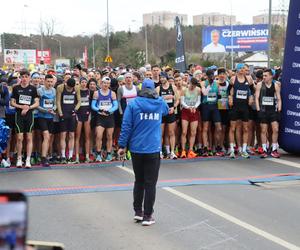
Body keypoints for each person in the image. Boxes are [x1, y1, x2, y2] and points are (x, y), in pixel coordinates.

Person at [118, 78, 169, 226]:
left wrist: (122, 145)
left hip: (136, 148)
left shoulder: (133, 103)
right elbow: (166, 110)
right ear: (153, 89)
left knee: (139, 181)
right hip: (153, 148)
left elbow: (126, 125)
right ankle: (148, 216)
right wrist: (158, 97)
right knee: (150, 183)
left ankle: (138, 212)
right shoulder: (159, 102)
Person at [11, 69, 39, 168]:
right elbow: (12, 102)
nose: (24, 79)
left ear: (29, 78)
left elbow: (37, 103)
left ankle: (28, 159)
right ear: (20, 78)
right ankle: (19, 158)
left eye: (26, 77)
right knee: (19, 138)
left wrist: (28, 108)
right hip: (19, 115)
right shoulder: (16, 88)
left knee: (29, 137)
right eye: (22, 77)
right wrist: (21, 107)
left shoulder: (33, 88)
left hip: (29, 115)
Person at [255, 69, 281, 158]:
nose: (264, 77)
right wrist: (258, 110)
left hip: (272, 111)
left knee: (275, 129)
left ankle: (274, 149)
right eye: (263, 75)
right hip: (263, 111)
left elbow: (279, 99)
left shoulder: (276, 85)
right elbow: (256, 98)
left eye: (266, 75)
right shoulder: (259, 85)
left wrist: (279, 110)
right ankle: (264, 150)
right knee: (263, 130)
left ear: (271, 76)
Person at [92, 77, 118, 162]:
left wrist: (109, 111)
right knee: (99, 136)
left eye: (107, 83)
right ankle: (98, 154)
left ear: (109, 84)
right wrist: (99, 110)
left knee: (109, 136)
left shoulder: (112, 93)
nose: (106, 85)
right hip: (100, 117)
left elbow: (116, 105)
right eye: (104, 83)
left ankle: (109, 154)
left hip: (109, 117)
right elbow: (93, 105)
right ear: (101, 83)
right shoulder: (96, 93)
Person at [56, 77, 81, 163]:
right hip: (63, 113)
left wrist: (75, 109)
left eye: (71, 88)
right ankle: (63, 156)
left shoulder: (77, 88)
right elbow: (58, 101)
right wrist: (60, 113)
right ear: (66, 84)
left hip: (72, 114)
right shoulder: (60, 87)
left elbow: (79, 101)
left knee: (71, 135)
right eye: (69, 88)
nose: (70, 89)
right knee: (63, 135)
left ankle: (70, 156)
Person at [37, 74, 56, 167]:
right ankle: (43, 158)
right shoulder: (40, 91)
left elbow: (55, 103)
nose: (49, 83)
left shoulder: (54, 90)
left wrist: (53, 109)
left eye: (51, 81)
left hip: (50, 117)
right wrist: (45, 110)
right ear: (44, 81)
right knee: (46, 137)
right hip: (42, 117)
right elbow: (36, 105)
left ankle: (45, 155)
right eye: (48, 81)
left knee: (48, 138)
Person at [180, 77, 201, 158]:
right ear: (189, 83)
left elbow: (199, 100)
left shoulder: (198, 90)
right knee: (184, 132)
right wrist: (188, 107)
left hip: (194, 111)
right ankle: (183, 150)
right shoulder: (184, 90)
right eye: (192, 85)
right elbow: (182, 101)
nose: (193, 87)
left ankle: (191, 150)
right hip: (186, 111)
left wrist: (194, 107)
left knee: (193, 132)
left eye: (194, 86)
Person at [75, 77, 91, 163]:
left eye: (85, 82)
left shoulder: (89, 91)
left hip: (87, 115)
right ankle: (77, 157)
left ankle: (87, 156)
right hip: (78, 115)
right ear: (80, 83)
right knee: (77, 136)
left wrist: (89, 114)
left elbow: (91, 103)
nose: (84, 83)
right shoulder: (77, 91)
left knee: (87, 137)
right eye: (82, 82)